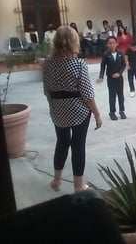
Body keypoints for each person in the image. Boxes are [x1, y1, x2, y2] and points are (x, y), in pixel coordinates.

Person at [43, 25, 102, 192]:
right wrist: (97, 114)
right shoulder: (78, 64)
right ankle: (78, 186)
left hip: (58, 110)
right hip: (79, 111)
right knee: (78, 145)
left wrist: (55, 106)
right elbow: (87, 95)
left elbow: (47, 90)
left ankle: (56, 181)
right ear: (74, 42)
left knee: (61, 142)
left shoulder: (47, 63)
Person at [96, 37, 127, 121]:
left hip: (119, 78)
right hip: (111, 79)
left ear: (116, 44)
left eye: (114, 43)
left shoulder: (120, 53)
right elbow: (103, 66)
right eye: (110, 43)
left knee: (121, 95)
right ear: (107, 44)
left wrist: (119, 73)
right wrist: (101, 77)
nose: (112, 44)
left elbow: (124, 65)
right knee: (112, 96)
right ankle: (112, 112)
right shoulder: (106, 54)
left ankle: (121, 111)